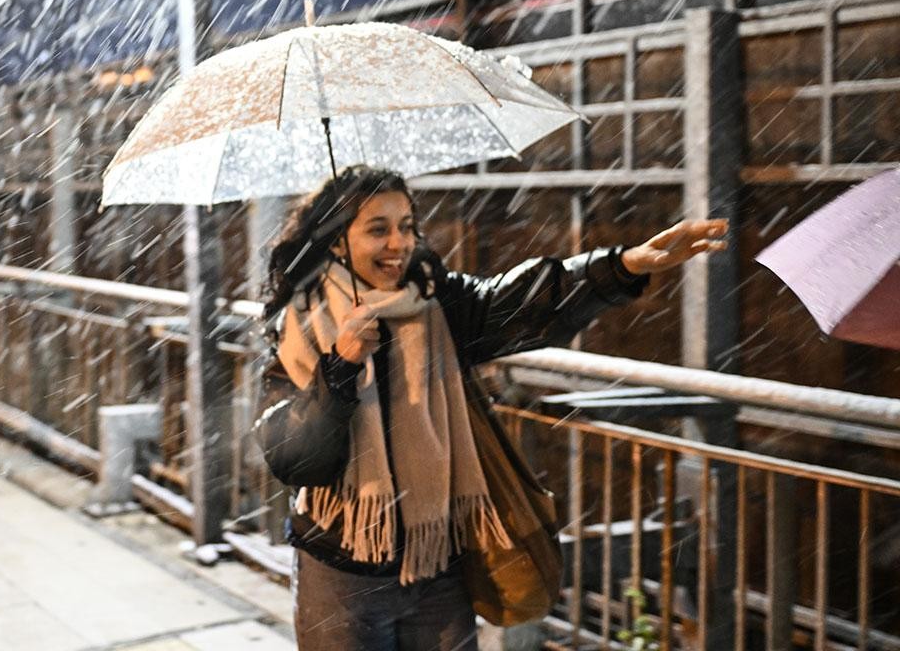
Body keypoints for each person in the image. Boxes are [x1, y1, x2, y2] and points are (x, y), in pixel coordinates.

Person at [254, 166, 727, 651]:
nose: (398, 243)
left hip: (439, 564)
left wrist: (624, 265)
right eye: (378, 229)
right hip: (342, 576)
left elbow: (522, 301)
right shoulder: (299, 327)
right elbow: (295, 458)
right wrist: (339, 367)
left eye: (406, 225)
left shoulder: (436, 304)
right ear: (337, 242)